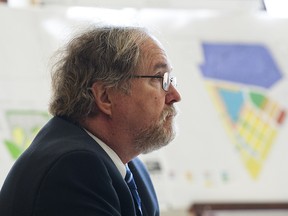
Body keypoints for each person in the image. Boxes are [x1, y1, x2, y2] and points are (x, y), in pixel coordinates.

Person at [0, 25, 181, 216]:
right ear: (105, 97)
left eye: (170, 80)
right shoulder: (74, 167)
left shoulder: (132, 167)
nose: (175, 95)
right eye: (159, 79)